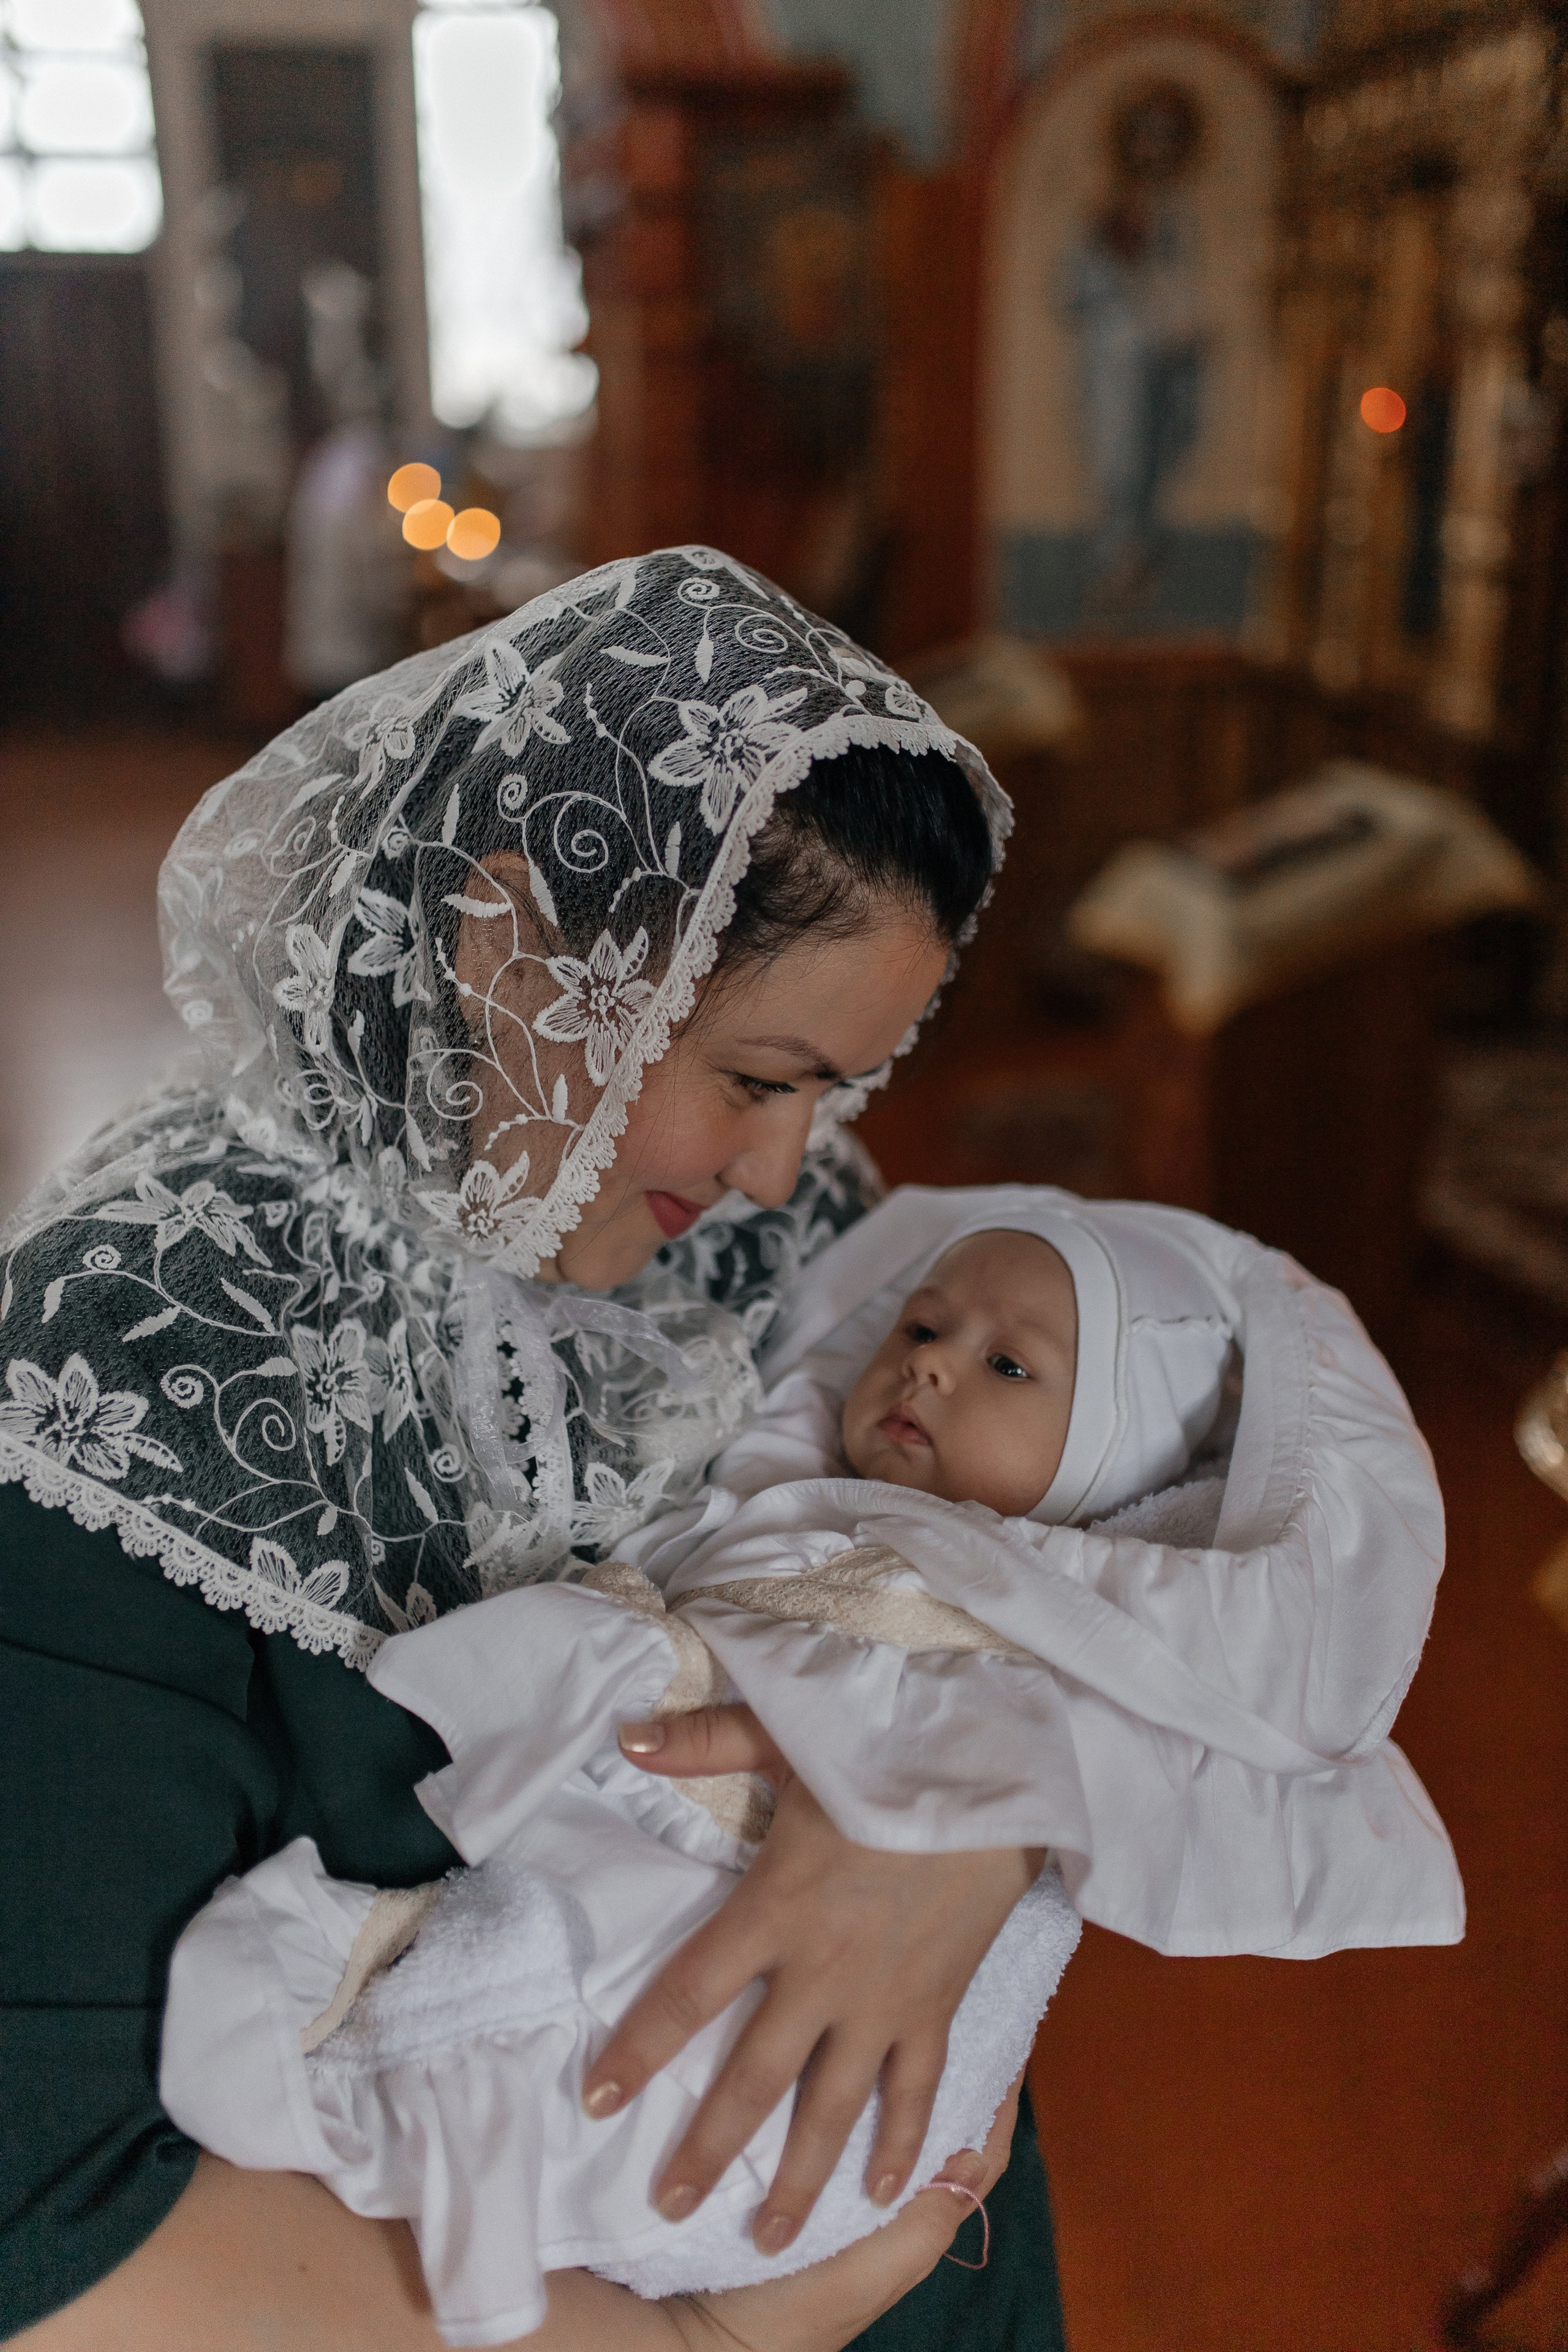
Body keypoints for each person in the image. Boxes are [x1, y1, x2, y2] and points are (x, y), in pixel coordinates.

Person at [1, 547, 1068, 2352]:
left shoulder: (782, 1255)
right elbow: (48, 2215)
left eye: (835, 1089)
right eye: (755, 1076)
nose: (780, 1168)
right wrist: (702, 2348)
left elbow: (1097, 1584)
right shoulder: (130, 1364)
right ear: (516, 950)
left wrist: (958, 1831)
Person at [157, 1185, 1463, 2345]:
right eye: (921, 1328)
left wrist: (970, 1790)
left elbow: (1233, 1758)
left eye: (1009, 1364)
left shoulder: (1066, 1613)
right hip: (671, 1835)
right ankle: (475, 2131)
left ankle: (493, 2132)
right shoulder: (794, 1493)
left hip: (789, 1953)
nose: (932, 1369)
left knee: (584, 1991)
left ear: (1112, 1453)